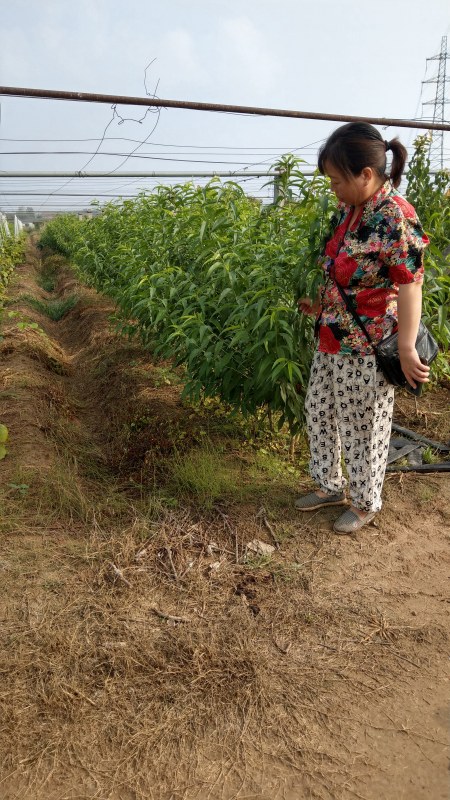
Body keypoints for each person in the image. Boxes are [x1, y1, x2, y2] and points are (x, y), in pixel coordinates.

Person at [296, 122, 430, 534]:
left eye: (337, 180)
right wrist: (320, 304)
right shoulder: (348, 210)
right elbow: (339, 268)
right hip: (332, 334)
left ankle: (366, 501)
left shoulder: (395, 216)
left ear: (366, 175)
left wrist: (406, 346)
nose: (333, 188)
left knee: (363, 425)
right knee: (319, 411)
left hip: (368, 344)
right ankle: (329, 485)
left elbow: (410, 283)